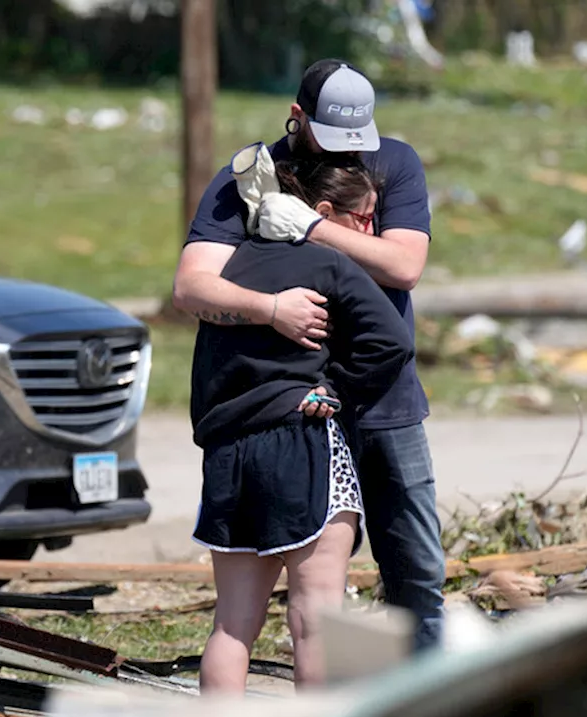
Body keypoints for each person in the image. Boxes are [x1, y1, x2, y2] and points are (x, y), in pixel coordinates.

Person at [172, 58, 445, 653]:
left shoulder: (394, 163)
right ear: (297, 118)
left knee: (417, 570)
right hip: (294, 411)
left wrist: (310, 229)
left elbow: (405, 265)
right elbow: (193, 287)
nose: (349, 157)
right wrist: (270, 309)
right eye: (333, 139)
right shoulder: (248, 179)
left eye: (358, 142)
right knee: (310, 594)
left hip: (383, 401)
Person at [191, 143, 415, 692]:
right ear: (324, 214)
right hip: (304, 444)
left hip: (229, 454)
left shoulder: (233, 269)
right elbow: (392, 342)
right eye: (364, 218)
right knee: (315, 622)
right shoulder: (328, 261)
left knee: (232, 625)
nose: (369, 231)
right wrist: (333, 389)